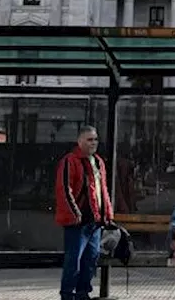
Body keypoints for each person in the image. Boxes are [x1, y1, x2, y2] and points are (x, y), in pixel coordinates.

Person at [55, 125, 113, 300]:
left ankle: (83, 293)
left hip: (94, 222)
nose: (93, 143)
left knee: (90, 260)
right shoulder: (70, 160)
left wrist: (107, 214)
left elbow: (102, 190)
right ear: (80, 141)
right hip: (77, 223)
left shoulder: (98, 161)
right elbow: (64, 189)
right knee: (74, 261)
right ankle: (68, 294)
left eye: (95, 139)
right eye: (89, 139)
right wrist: (75, 214)